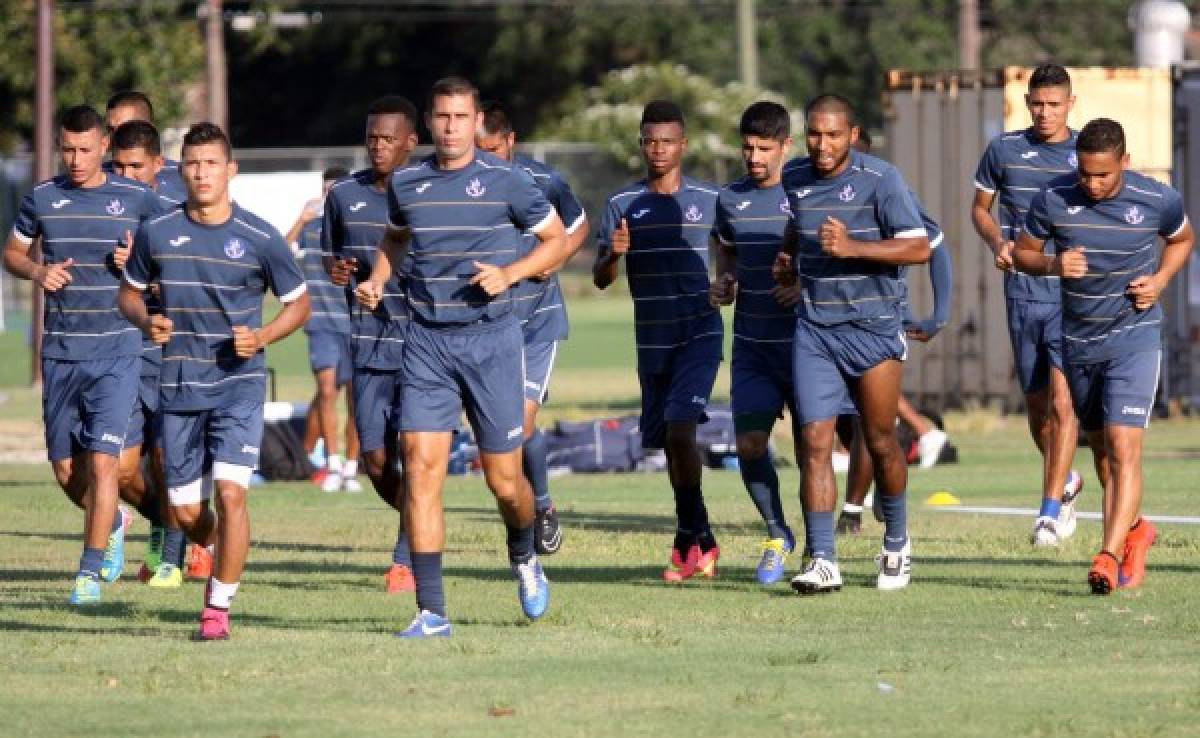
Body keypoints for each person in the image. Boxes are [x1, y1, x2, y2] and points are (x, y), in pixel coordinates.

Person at [357, 76, 566, 638]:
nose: (450, 127)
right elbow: (395, 240)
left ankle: (524, 554)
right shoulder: (408, 184)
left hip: (493, 343)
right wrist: (379, 279)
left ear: (476, 122)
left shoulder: (509, 181)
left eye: (460, 117)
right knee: (422, 474)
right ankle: (432, 612)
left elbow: (559, 239)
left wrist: (511, 274)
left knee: (504, 483)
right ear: (429, 121)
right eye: (441, 117)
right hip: (426, 342)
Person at [119, 122, 311, 639]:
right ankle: (213, 543)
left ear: (231, 171)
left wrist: (264, 335)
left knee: (232, 496)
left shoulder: (259, 236)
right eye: (193, 163)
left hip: (237, 386)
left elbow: (300, 304)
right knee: (186, 514)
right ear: (181, 171)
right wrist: (145, 319)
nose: (201, 173)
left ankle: (217, 610)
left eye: (211, 163)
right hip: (179, 388)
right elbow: (129, 294)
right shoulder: (158, 232)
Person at [1013, 118, 1192, 593]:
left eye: (1103, 176)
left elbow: (1182, 239)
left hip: (1134, 336)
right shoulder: (1054, 198)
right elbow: (1022, 252)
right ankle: (1135, 531)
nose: (1092, 185)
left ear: (1125, 164)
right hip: (1079, 342)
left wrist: (1159, 282)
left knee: (1124, 443)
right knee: (1103, 458)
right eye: (1085, 174)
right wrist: (1053, 262)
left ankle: (1108, 555)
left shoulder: (1157, 198)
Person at [3, 104, 163, 604]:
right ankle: (112, 518)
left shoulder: (139, 199)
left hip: (118, 352)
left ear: (104, 149)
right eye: (67, 149)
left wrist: (136, 265)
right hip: (61, 355)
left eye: (85, 150)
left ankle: (89, 576)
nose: (75, 159)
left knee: (104, 464)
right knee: (67, 472)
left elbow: (168, 262)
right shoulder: (43, 198)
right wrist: (37, 272)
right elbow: (12, 252)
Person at [774, 94, 929, 594]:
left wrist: (854, 247)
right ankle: (822, 559)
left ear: (853, 135)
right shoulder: (794, 178)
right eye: (815, 134)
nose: (823, 145)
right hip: (816, 329)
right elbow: (798, 228)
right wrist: (787, 257)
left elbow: (919, 246)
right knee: (814, 443)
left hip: (875, 328)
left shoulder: (882, 180)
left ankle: (897, 543)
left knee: (882, 440)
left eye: (833, 135)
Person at [594, 100, 724, 582]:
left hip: (700, 332)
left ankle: (688, 539)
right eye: (650, 140)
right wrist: (613, 254)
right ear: (641, 144)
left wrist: (726, 283)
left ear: (683, 145)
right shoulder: (621, 204)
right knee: (668, 444)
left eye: (667, 141)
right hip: (652, 341)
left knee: (680, 429)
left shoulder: (712, 199)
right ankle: (699, 537)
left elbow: (728, 254)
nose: (658, 149)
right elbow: (603, 278)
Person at [972, 64, 1085, 547]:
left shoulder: (1087, 154)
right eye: (1037, 103)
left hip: (1071, 296)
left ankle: (1048, 514)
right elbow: (980, 208)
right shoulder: (1003, 150)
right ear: (1027, 102)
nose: (1044, 112)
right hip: (1021, 291)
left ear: (1070, 104)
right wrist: (998, 239)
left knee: (1063, 403)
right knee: (1037, 408)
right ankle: (1067, 479)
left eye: (1054, 104)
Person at [476, 101, 590, 555]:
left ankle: (541, 508)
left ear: (510, 141)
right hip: (487, 325)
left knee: (521, 423)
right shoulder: (467, 184)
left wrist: (556, 257)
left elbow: (578, 227)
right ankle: (524, 506)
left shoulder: (543, 181)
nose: (484, 158)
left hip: (537, 321)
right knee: (500, 430)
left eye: (491, 149)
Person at [836, 129, 954, 534]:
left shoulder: (889, 186)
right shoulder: (808, 187)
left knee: (869, 421)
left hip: (880, 323)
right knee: (830, 423)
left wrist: (939, 314)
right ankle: (871, 494)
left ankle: (856, 508)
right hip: (821, 324)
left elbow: (933, 245)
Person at [323, 97, 419, 593]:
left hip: (423, 343)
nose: (378, 146)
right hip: (366, 341)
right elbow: (329, 257)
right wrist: (337, 271)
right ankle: (422, 517)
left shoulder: (428, 192)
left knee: (415, 451)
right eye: (372, 137)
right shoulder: (343, 195)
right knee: (376, 461)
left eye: (388, 138)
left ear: (410, 142)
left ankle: (406, 558)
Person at [109, 120, 204, 586]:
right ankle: (167, 523)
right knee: (124, 469)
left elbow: (192, 285)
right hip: (117, 349)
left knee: (168, 455)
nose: (125, 176)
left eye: (135, 167)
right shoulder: (100, 210)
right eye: (119, 166)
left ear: (156, 167)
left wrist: (143, 275)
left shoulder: (174, 217)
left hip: (168, 349)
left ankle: (172, 556)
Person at [709, 101, 799, 585]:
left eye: (765, 149)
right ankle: (776, 532)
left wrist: (801, 283)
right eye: (748, 148)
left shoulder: (805, 192)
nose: (755, 158)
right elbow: (725, 247)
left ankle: (820, 547)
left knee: (813, 449)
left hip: (807, 344)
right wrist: (724, 280)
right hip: (752, 344)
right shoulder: (730, 199)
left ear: (786, 145)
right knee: (748, 443)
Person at [285, 166, 361, 494]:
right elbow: (279, 253)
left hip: (357, 323)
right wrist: (300, 220)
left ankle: (352, 468)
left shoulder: (357, 226)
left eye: (338, 189)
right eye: (328, 189)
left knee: (358, 398)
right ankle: (331, 462)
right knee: (328, 391)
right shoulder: (312, 227)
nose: (333, 195)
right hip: (322, 324)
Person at [104, 91, 186, 202]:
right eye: (110, 129)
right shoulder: (96, 176)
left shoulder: (183, 177)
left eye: (126, 128)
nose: (116, 136)